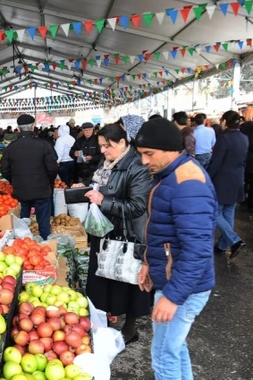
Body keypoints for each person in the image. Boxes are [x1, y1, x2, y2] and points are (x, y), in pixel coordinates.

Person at [135, 118, 217, 380]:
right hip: (175, 281)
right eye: (141, 154)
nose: (144, 161)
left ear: (170, 148)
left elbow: (198, 250)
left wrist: (172, 297)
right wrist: (149, 262)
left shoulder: (187, 183)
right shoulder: (170, 175)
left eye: (149, 154)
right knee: (174, 347)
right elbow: (162, 230)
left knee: (163, 355)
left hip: (183, 287)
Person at [83, 123, 152, 344]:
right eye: (101, 145)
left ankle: (129, 330)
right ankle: (104, 327)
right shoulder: (107, 164)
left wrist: (104, 201)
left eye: (107, 146)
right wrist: (87, 188)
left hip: (126, 236)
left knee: (128, 280)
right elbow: (101, 185)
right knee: (102, 281)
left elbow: (137, 207)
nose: (102, 150)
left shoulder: (137, 167)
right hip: (104, 232)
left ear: (122, 143)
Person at [0, 115, 57, 239]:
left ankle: (23, 246)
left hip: (21, 192)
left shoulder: (11, 147)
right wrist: (47, 181)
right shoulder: (44, 144)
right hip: (41, 190)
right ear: (33, 127)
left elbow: (4, 170)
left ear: (18, 129)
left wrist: (14, 181)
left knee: (22, 223)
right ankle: (45, 246)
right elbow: (52, 168)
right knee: (43, 223)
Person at [208, 111, 249, 258]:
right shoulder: (244, 138)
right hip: (237, 178)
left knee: (215, 212)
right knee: (229, 213)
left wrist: (206, 178)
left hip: (222, 180)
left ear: (225, 121)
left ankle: (235, 240)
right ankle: (222, 245)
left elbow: (216, 162)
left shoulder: (224, 139)